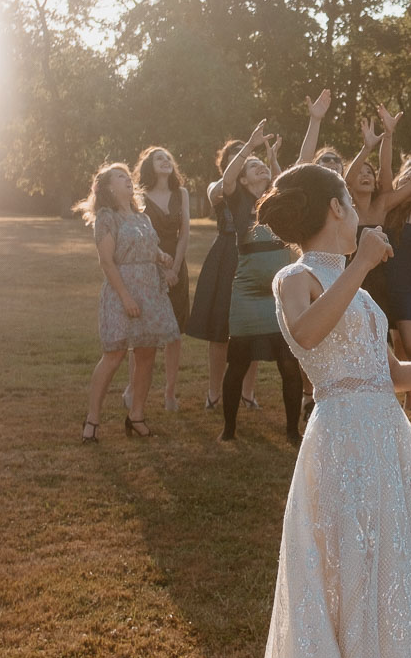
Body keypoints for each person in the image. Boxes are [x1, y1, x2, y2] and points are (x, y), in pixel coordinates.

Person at [248, 162, 411, 658]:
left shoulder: (361, 291)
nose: (359, 213)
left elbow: (389, 372)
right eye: (350, 199)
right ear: (336, 209)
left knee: (391, 565)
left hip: (388, 440)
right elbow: (307, 332)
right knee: (346, 569)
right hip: (341, 441)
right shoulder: (295, 278)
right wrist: (364, 264)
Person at [350, 107, 411, 392]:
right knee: (364, 353)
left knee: (402, 351)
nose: (368, 175)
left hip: (386, 285)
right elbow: (357, 176)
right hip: (356, 284)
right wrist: (371, 145)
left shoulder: (384, 206)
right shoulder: (348, 207)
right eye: (362, 172)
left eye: (370, 172)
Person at [79, 163, 179, 442]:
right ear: (109, 187)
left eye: (128, 176)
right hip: (123, 292)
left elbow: (147, 247)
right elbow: (106, 261)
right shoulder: (107, 217)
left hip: (150, 293)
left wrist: (161, 257)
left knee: (146, 354)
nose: (128, 180)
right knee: (114, 355)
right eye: (121, 177)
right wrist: (125, 297)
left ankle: (136, 415)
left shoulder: (141, 217)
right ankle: (92, 419)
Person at [187, 121, 277, 410]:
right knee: (220, 330)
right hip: (226, 257)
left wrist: (270, 160)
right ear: (228, 163)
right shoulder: (221, 187)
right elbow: (221, 189)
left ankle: (247, 393)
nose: (246, 157)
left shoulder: (262, 192)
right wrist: (249, 148)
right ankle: (214, 392)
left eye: (249, 154)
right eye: (238, 155)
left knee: (252, 328)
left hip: (256, 259)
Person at [220, 219, 307, 442]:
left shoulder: (278, 205)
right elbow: (219, 190)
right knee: (238, 364)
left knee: (289, 364)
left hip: (279, 294)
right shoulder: (239, 204)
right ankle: (229, 430)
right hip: (246, 295)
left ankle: (292, 431)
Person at [136, 146, 191, 411]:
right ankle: (133, 388)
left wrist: (175, 268)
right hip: (149, 266)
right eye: (159, 158)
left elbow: (184, 235)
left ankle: (169, 393)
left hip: (177, 267)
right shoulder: (139, 196)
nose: (166, 161)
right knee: (145, 332)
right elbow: (140, 237)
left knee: (175, 333)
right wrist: (160, 268)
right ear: (149, 165)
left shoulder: (181, 194)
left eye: (168, 157)